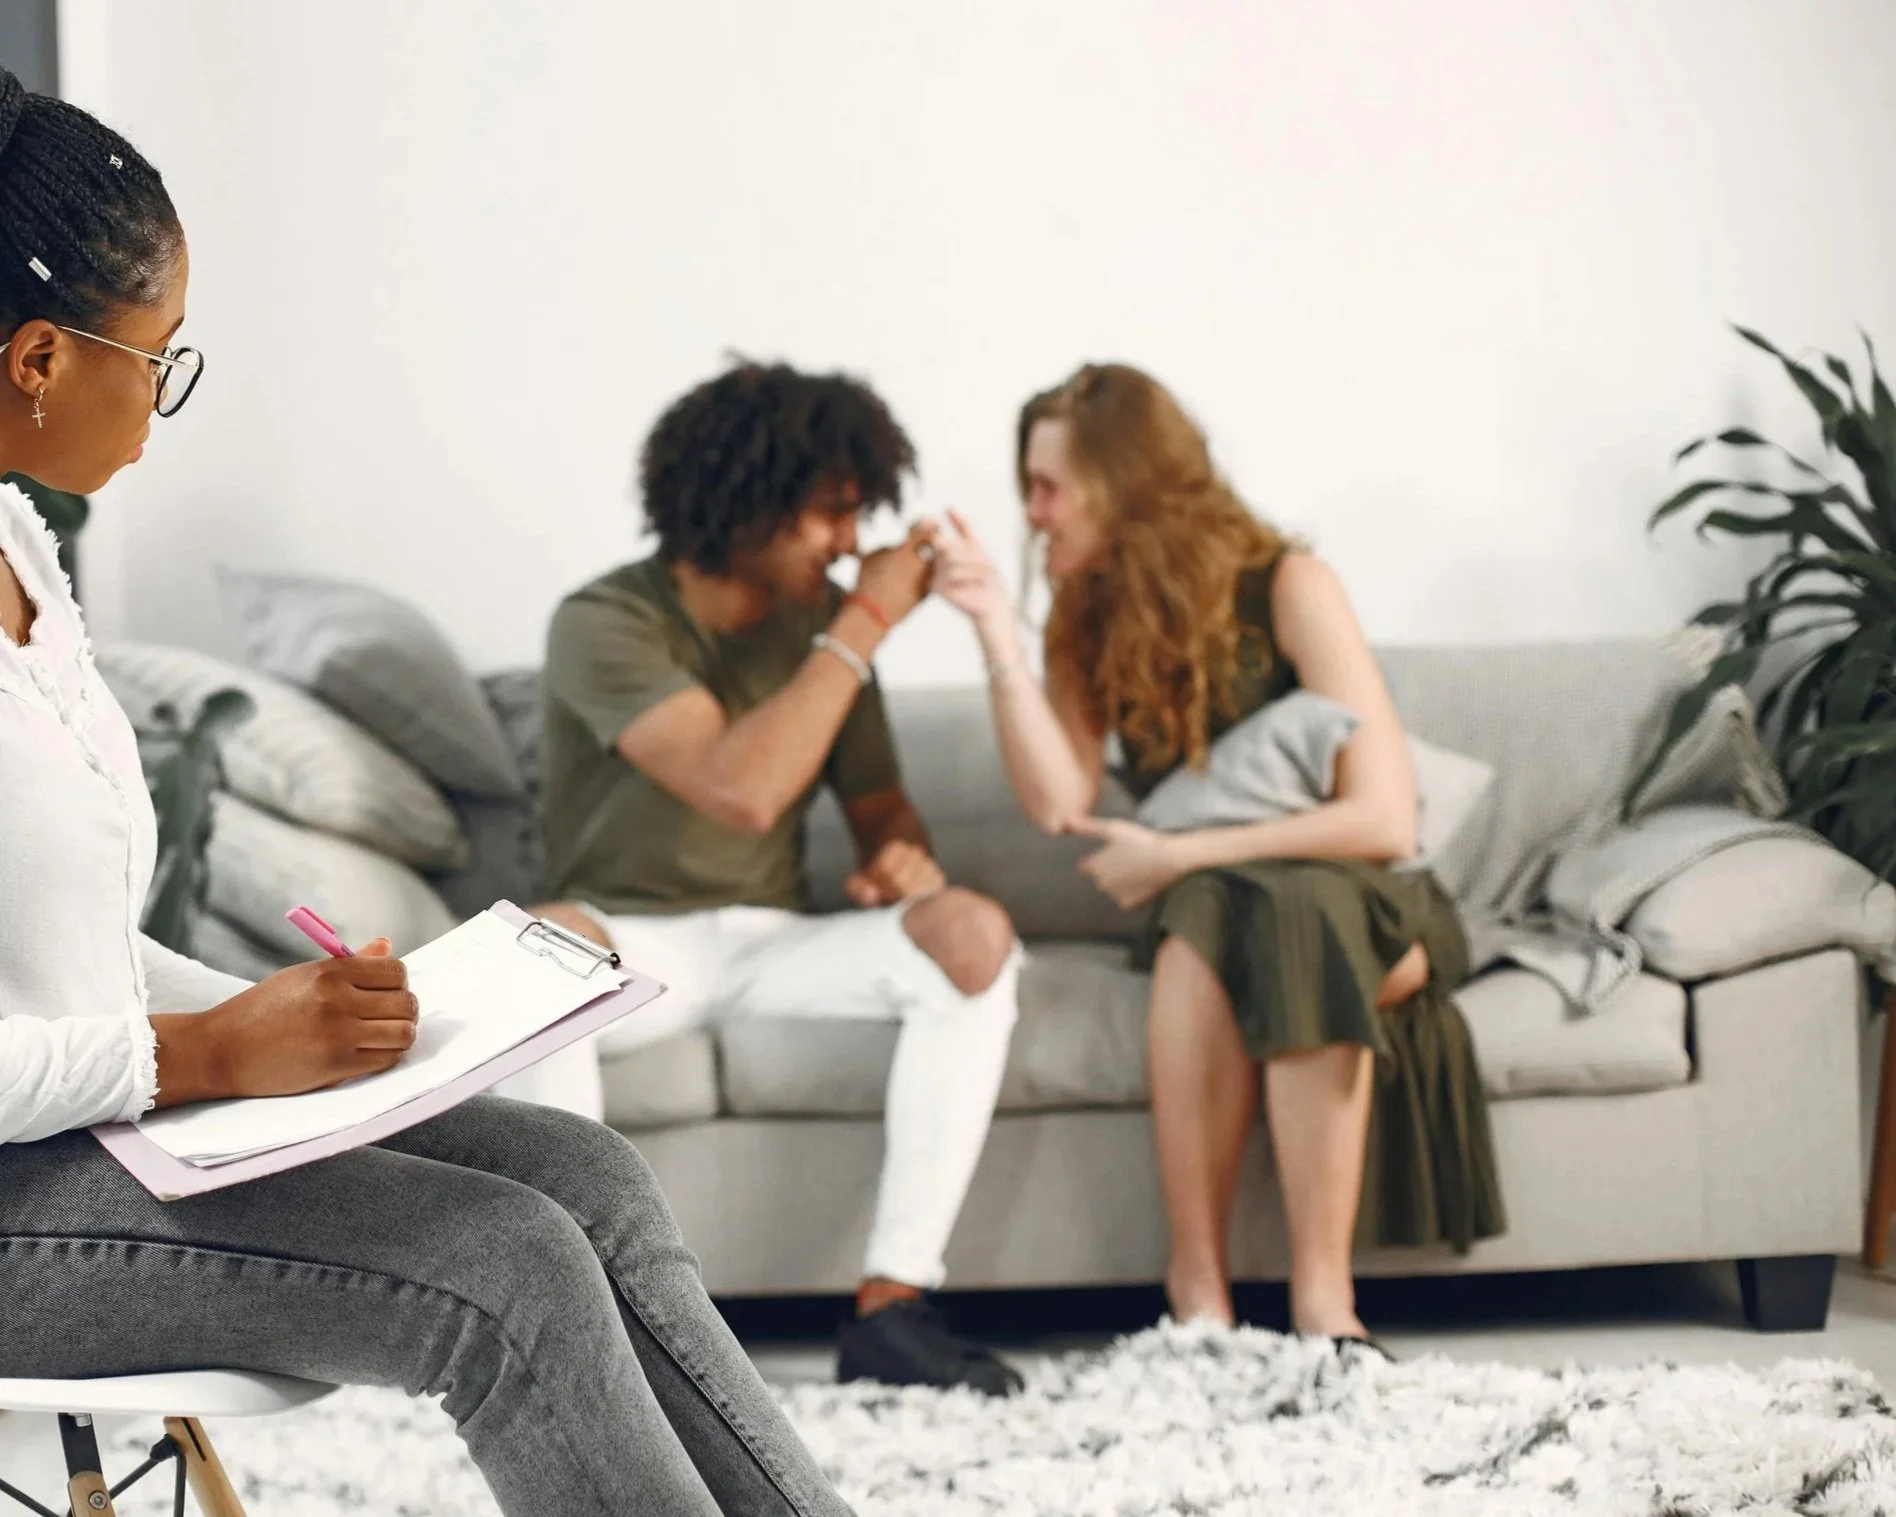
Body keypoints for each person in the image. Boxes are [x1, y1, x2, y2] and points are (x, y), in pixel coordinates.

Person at [0, 69, 854, 1517]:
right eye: (160, 357)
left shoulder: (21, 544)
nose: (168, 396)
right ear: (36, 359)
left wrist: (305, 1028)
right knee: (504, 1269)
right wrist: (204, 1059)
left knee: (585, 1179)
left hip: (83, 1135)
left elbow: (59, 954)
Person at [934, 362, 1504, 1344]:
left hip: (1366, 901)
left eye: (1049, 485)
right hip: (1216, 909)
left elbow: (1383, 820)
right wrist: (995, 633)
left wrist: (1180, 855)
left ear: (1128, 481)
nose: (1032, 512)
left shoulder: (1289, 584)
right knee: (1215, 914)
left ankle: (1323, 1303)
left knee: (1287, 904)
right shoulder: (1087, 620)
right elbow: (1057, 799)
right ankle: (1199, 1293)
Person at [529, 360, 1025, 1396]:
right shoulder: (602, 623)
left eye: (858, 516)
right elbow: (740, 788)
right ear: (744, 499)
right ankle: (597, 1326)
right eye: (830, 514)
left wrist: (902, 859)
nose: (851, 544)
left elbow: (882, 810)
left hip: (774, 942)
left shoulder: (821, 632)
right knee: (538, 949)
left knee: (974, 932)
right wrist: (866, 621)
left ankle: (895, 1307)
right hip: (638, 940)